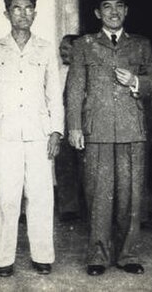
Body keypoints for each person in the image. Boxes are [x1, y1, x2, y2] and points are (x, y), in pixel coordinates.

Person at [67, 0, 152, 276]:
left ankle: (127, 254)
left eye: (119, 6)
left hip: (132, 130)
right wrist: (74, 126)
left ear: (126, 10)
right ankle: (97, 256)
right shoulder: (84, 45)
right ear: (97, 13)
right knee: (98, 195)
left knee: (130, 197)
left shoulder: (141, 44)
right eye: (107, 6)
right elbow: (74, 89)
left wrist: (136, 82)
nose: (113, 12)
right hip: (98, 130)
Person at [0, 0, 64, 277]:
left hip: (39, 134)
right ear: (6, 13)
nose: (23, 13)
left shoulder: (45, 48)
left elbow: (54, 93)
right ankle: (3, 259)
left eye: (28, 8)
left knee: (40, 196)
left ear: (35, 13)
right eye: (17, 8)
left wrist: (56, 132)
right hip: (5, 135)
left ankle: (42, 255)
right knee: (6, 198)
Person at [54, 34, 85, 221]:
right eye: (60, 49)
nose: (62, 52)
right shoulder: (57, 71)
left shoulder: (86, 71)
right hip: (62, 125)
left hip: (84, 125)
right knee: (64, 166)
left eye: (66, 48)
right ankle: (68, 209)